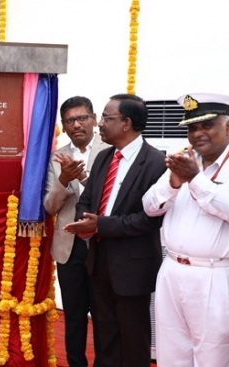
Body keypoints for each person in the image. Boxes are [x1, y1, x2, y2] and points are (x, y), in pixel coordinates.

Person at [142, 93, 229, 366]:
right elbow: (150, 207)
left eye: (207, 125)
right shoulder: (184, 162)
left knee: (214, 357)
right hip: (173, 269)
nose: (198, 133)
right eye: (191, 127)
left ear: (228, 126)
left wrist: (195, 179)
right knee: (171, 355)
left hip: (218, 276)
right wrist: (174, 183)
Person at [63, 94, 166, 367]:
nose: (100, 125)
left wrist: (101, 225)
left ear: (126, 123)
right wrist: (83, 226)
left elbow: (149, 220)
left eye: (107, 118)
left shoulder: (156, 162)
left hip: (133, 267)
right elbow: (87, 200)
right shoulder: (104, 158)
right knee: (105, 339)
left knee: (133, 340)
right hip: (98, 261)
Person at [43, 96, 109, 367]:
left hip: (104, 246)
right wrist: (63, 181)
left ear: (94, 119)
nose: (76, 124)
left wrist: (81, 177)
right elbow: (49, 206)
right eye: (70, 120)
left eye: (82, 118)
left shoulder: (111, 150)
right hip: (69, 249)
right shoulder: (57, 158)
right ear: (64, 125)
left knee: (105, 315)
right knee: (74, 315)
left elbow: (110, 196)